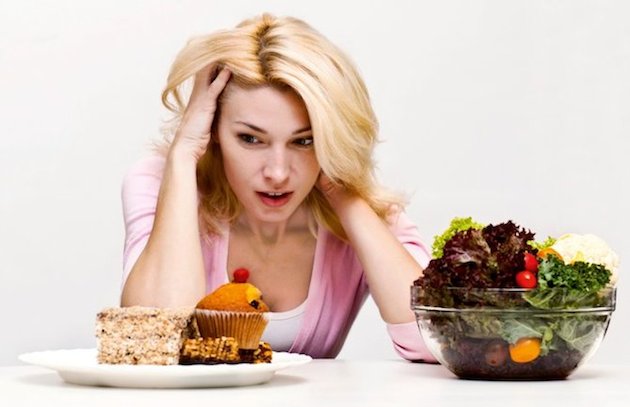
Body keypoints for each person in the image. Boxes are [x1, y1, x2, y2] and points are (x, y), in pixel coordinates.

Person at [120, 13, 435, 362]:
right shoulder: (161, 182)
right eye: (250, 139)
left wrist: (342, 194)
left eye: (303, 141)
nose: (278, 172)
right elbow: (151, 340)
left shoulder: (361, 216)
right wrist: (183, 154)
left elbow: (439, 341)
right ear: (214, 130)